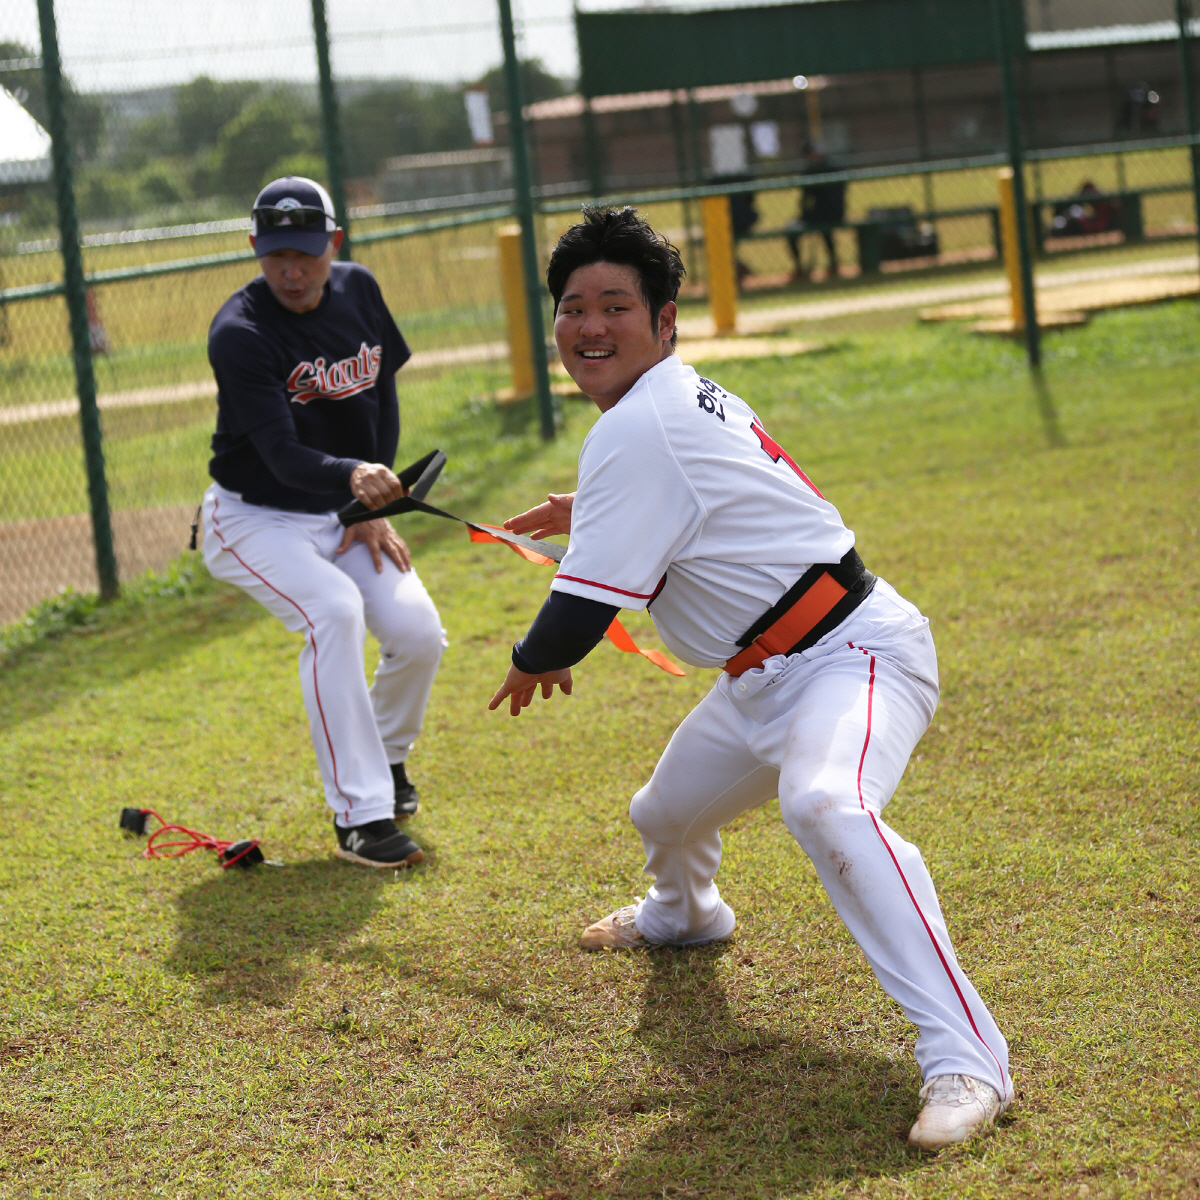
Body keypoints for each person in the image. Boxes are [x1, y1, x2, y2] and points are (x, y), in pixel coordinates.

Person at [489, 206, 1013, 1151]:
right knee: (663, 815)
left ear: (665, 318)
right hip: (764, 678)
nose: (590, 326)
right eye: (572, 307)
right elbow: (710, 494)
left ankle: (969, 1055)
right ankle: (686, 917)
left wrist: (533, 659)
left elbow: (575, 620)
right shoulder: (666, 401)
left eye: (616, 304)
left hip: (851, 655)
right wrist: (592, 506)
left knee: (826, 806)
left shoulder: (636, 427)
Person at [199, 176, 446, 870]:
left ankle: (388, 765)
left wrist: (372, 502)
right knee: (333, 611)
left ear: (333, 243)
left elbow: (383, 398)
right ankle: (360, 818)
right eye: (276, 253)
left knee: (417, 632)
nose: (291, 269)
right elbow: (279, 455)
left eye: (306, 252)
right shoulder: (240, 333)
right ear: (254, 248)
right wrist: (351, 482)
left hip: (339, 512)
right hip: (256, 520)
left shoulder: (359, 288)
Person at [786, 142, 846, 280]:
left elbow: (805, 199)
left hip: (822, 215)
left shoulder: (812, 171)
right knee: (825, 231)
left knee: (792, 230)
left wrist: (805, 214)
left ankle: (800, 268)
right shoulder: (836, 167)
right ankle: (833, 263)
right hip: (836, 214)